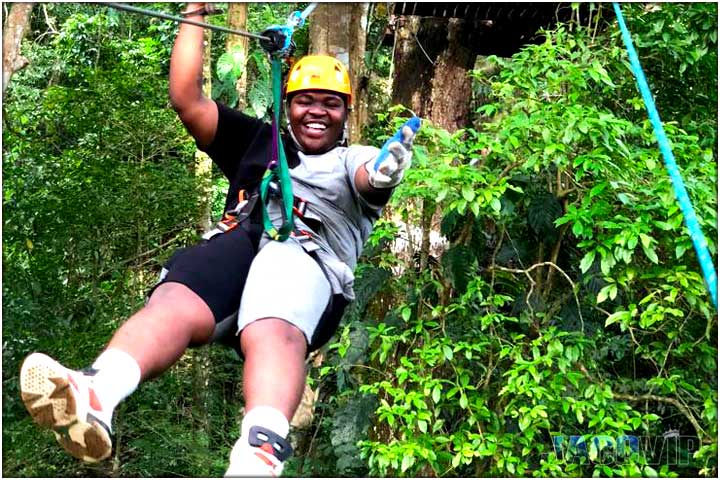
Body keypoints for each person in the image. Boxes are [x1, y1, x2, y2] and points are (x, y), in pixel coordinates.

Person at [18, 2, 416, 477]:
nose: (317, 111)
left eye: (330, 103)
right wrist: (196, 9)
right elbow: (187, 100)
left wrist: (387, 169)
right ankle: (99, 391)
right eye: (305, 100)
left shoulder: (354, 158)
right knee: (177, 296)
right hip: (242, 244)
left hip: (305, 258)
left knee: (275, 296)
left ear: (346, 112)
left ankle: (259, 452)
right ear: (287, 107)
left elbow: (370, 178)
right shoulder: (261, 143)